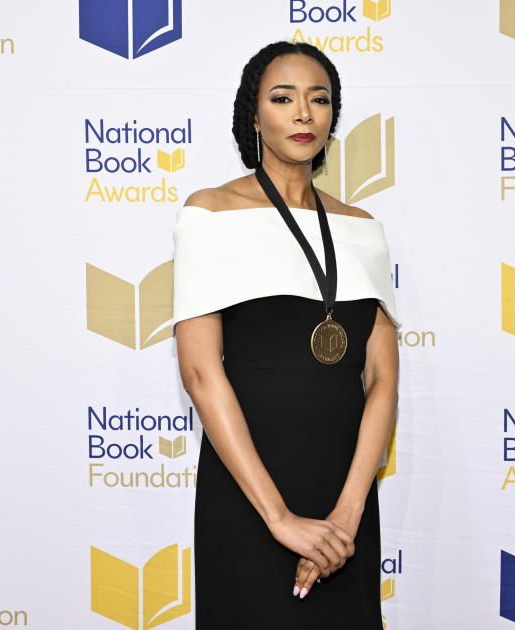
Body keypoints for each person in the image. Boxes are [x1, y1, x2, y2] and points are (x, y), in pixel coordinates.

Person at [171, 41, 400, 629]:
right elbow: (200, 373)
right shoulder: (211, 213)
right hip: (249, 494)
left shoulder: (363, 229)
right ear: (254, 115)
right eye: (283, 98)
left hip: (343, 495)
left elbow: (381, 379)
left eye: (319, 99)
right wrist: (278, 518)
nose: (303, 114)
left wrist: (347, 517)